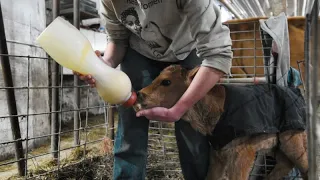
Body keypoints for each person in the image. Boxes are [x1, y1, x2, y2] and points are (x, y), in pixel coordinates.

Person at [74, 0, 233, 179]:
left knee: (193, 125)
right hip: (139, 51)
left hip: (188, 48)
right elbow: (118, 39)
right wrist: (104, 65)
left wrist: (178, 109)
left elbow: (218, 54)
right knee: (131, 122)